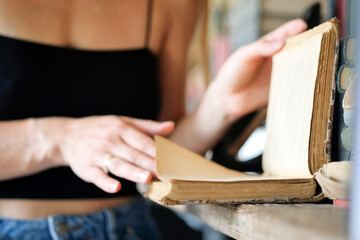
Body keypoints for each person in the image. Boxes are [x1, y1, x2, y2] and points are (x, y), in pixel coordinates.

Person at [0, 0, 307, 239]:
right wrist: (61, 139)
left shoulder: (171, 4)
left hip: (127, 230)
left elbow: (161, 152)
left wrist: (221, 105)